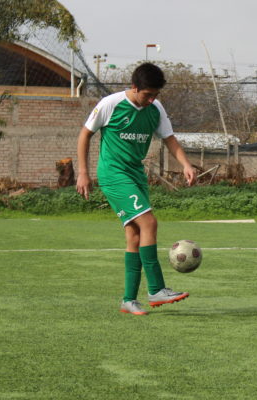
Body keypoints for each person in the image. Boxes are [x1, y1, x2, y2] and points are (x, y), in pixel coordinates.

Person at [76, 62, 197, 316]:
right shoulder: (111, 104)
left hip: (135, 176)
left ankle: (129, 300)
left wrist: (186, 164)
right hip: (113, 174)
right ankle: (157, 289)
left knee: (134, 235)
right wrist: (83, 173)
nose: (151, 99)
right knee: (149, 223)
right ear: (134, 87)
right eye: (147, 94)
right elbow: (85, 134)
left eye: (156, 95)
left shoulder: (156, 108)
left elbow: (169, 139)